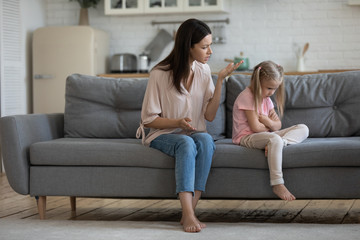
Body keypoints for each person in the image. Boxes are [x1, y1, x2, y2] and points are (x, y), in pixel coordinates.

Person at [136, 18, 242, 233]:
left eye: (210, 45)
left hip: (194, 133)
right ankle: (188, 213)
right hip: (163, 133)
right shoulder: (160, 73)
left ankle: (188, 211)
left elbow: (210, 116)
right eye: (204, 47)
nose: (210, 51)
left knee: (204, 139)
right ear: (188, 46)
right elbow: (149, 119)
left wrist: (220, 80)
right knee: (185, 142)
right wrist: (176, 122)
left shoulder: (204, 71)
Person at [232, 60, 309, 201]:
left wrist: (267, 122)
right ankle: (277, 183)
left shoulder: (267, 99)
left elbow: (278, 125)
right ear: (257, 81)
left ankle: (280, 143)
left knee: (303, 128)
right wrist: (271, 125)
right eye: (268, 88)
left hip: (266, 136)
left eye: (275, 89)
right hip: (247, 137)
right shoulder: (247, 97)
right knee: (274, 138)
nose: (272, 92)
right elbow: (255, 127)